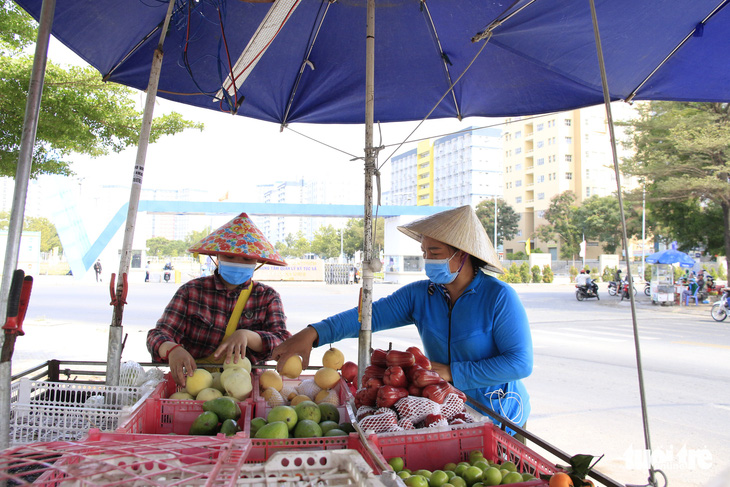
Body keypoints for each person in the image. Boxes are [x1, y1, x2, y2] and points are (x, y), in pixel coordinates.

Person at [271, 205, 532, 434]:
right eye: (424, 252)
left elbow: (520, 363)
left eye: (435, 252)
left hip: (501, 416)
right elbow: (366, 316)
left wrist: (451, 372)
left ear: (462, 255)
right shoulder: (421, 294)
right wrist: (314, 333)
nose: (427, 259)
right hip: (448, 411)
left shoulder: (499, 296)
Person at [147, 213, 292, 387]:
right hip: (192, 384)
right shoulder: (191, 292)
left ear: (257, 262)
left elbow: (283, 342)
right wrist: (172, 349)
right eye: (229, 256)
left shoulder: (267, 297)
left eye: (246, 258)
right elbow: (157, 335)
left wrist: (248, 336)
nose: (238, 261)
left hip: (247, 387)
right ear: (217, 257)